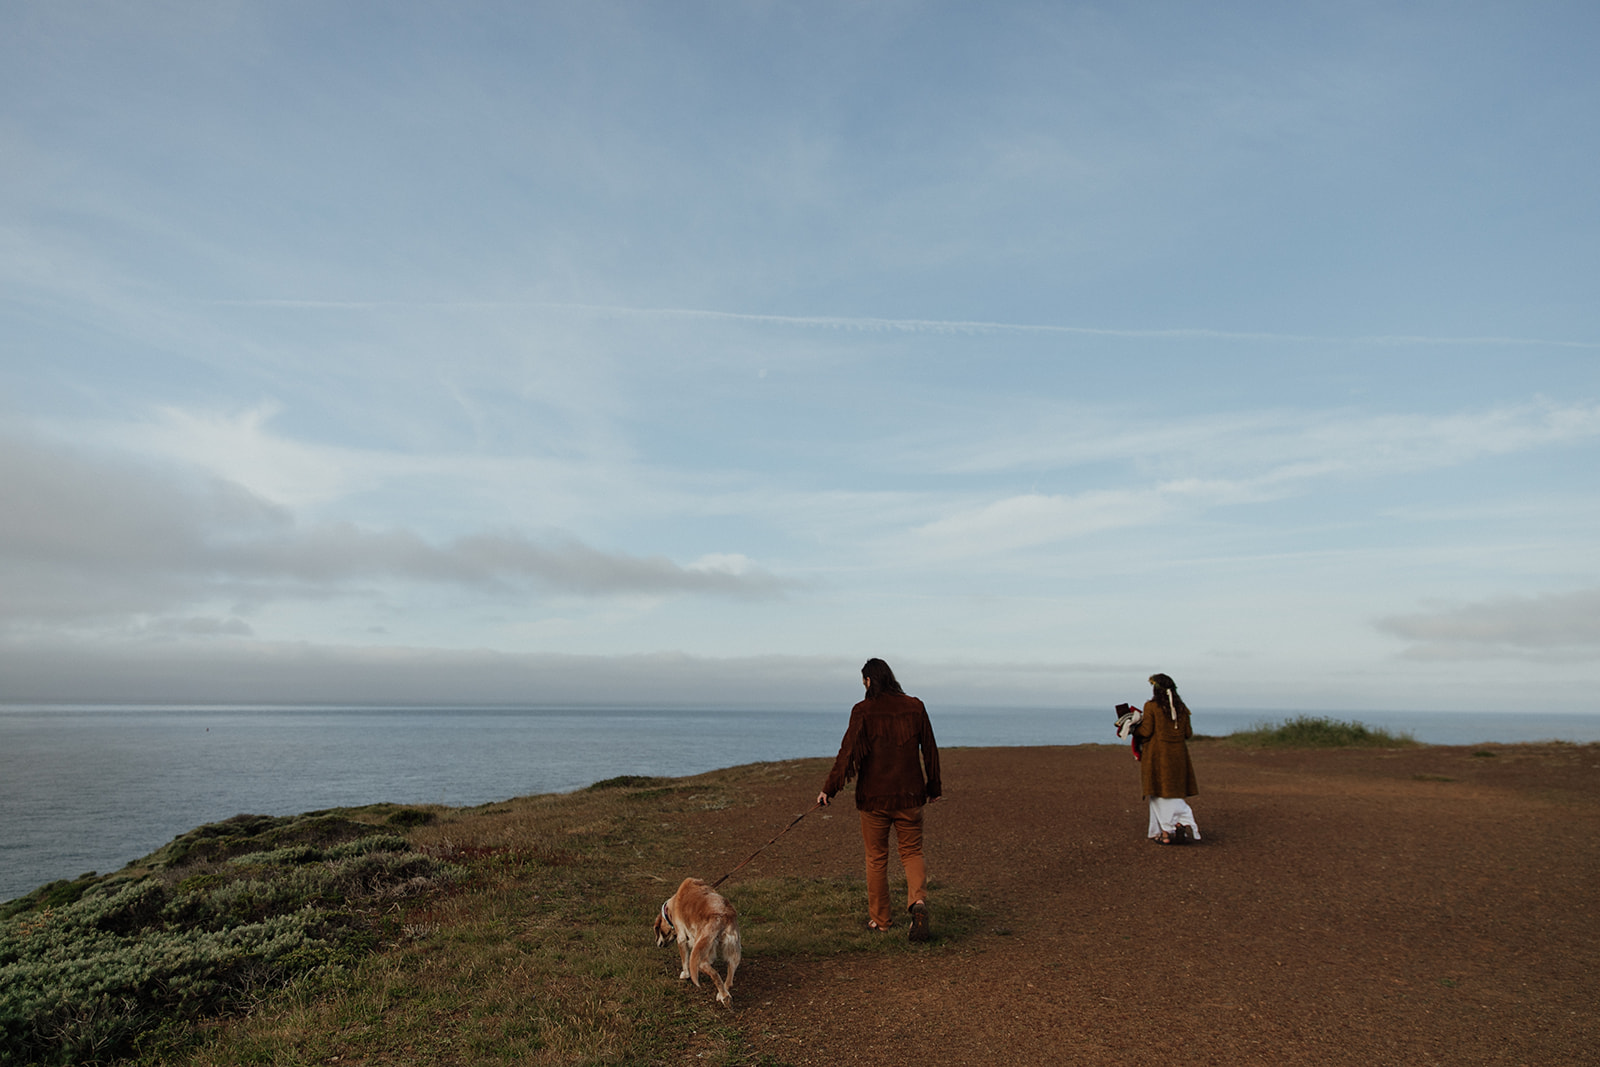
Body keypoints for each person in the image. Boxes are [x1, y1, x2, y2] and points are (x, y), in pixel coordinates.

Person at [817, 658, 942, 941]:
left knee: (876, 858)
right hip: (910, 796)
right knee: (911, 852)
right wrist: (933, 786)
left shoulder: (863, 710)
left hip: (873, 800)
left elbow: (847, 754)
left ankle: (881, 921)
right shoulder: (915, 706)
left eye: (864, 682)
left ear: (869, 681)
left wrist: (829, 789)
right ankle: (918, 904)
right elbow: (930, 749)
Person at [1131, 672, 1201, 844]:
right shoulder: (1182, 708)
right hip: (1178, 757)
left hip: (1158, 756)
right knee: (1174, 792)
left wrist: (1133, 728)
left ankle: (1166, 832)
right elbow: (1188, 733)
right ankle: (1177, 824)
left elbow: (1146, 731)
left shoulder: (1151, 706)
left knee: (1159, 792)